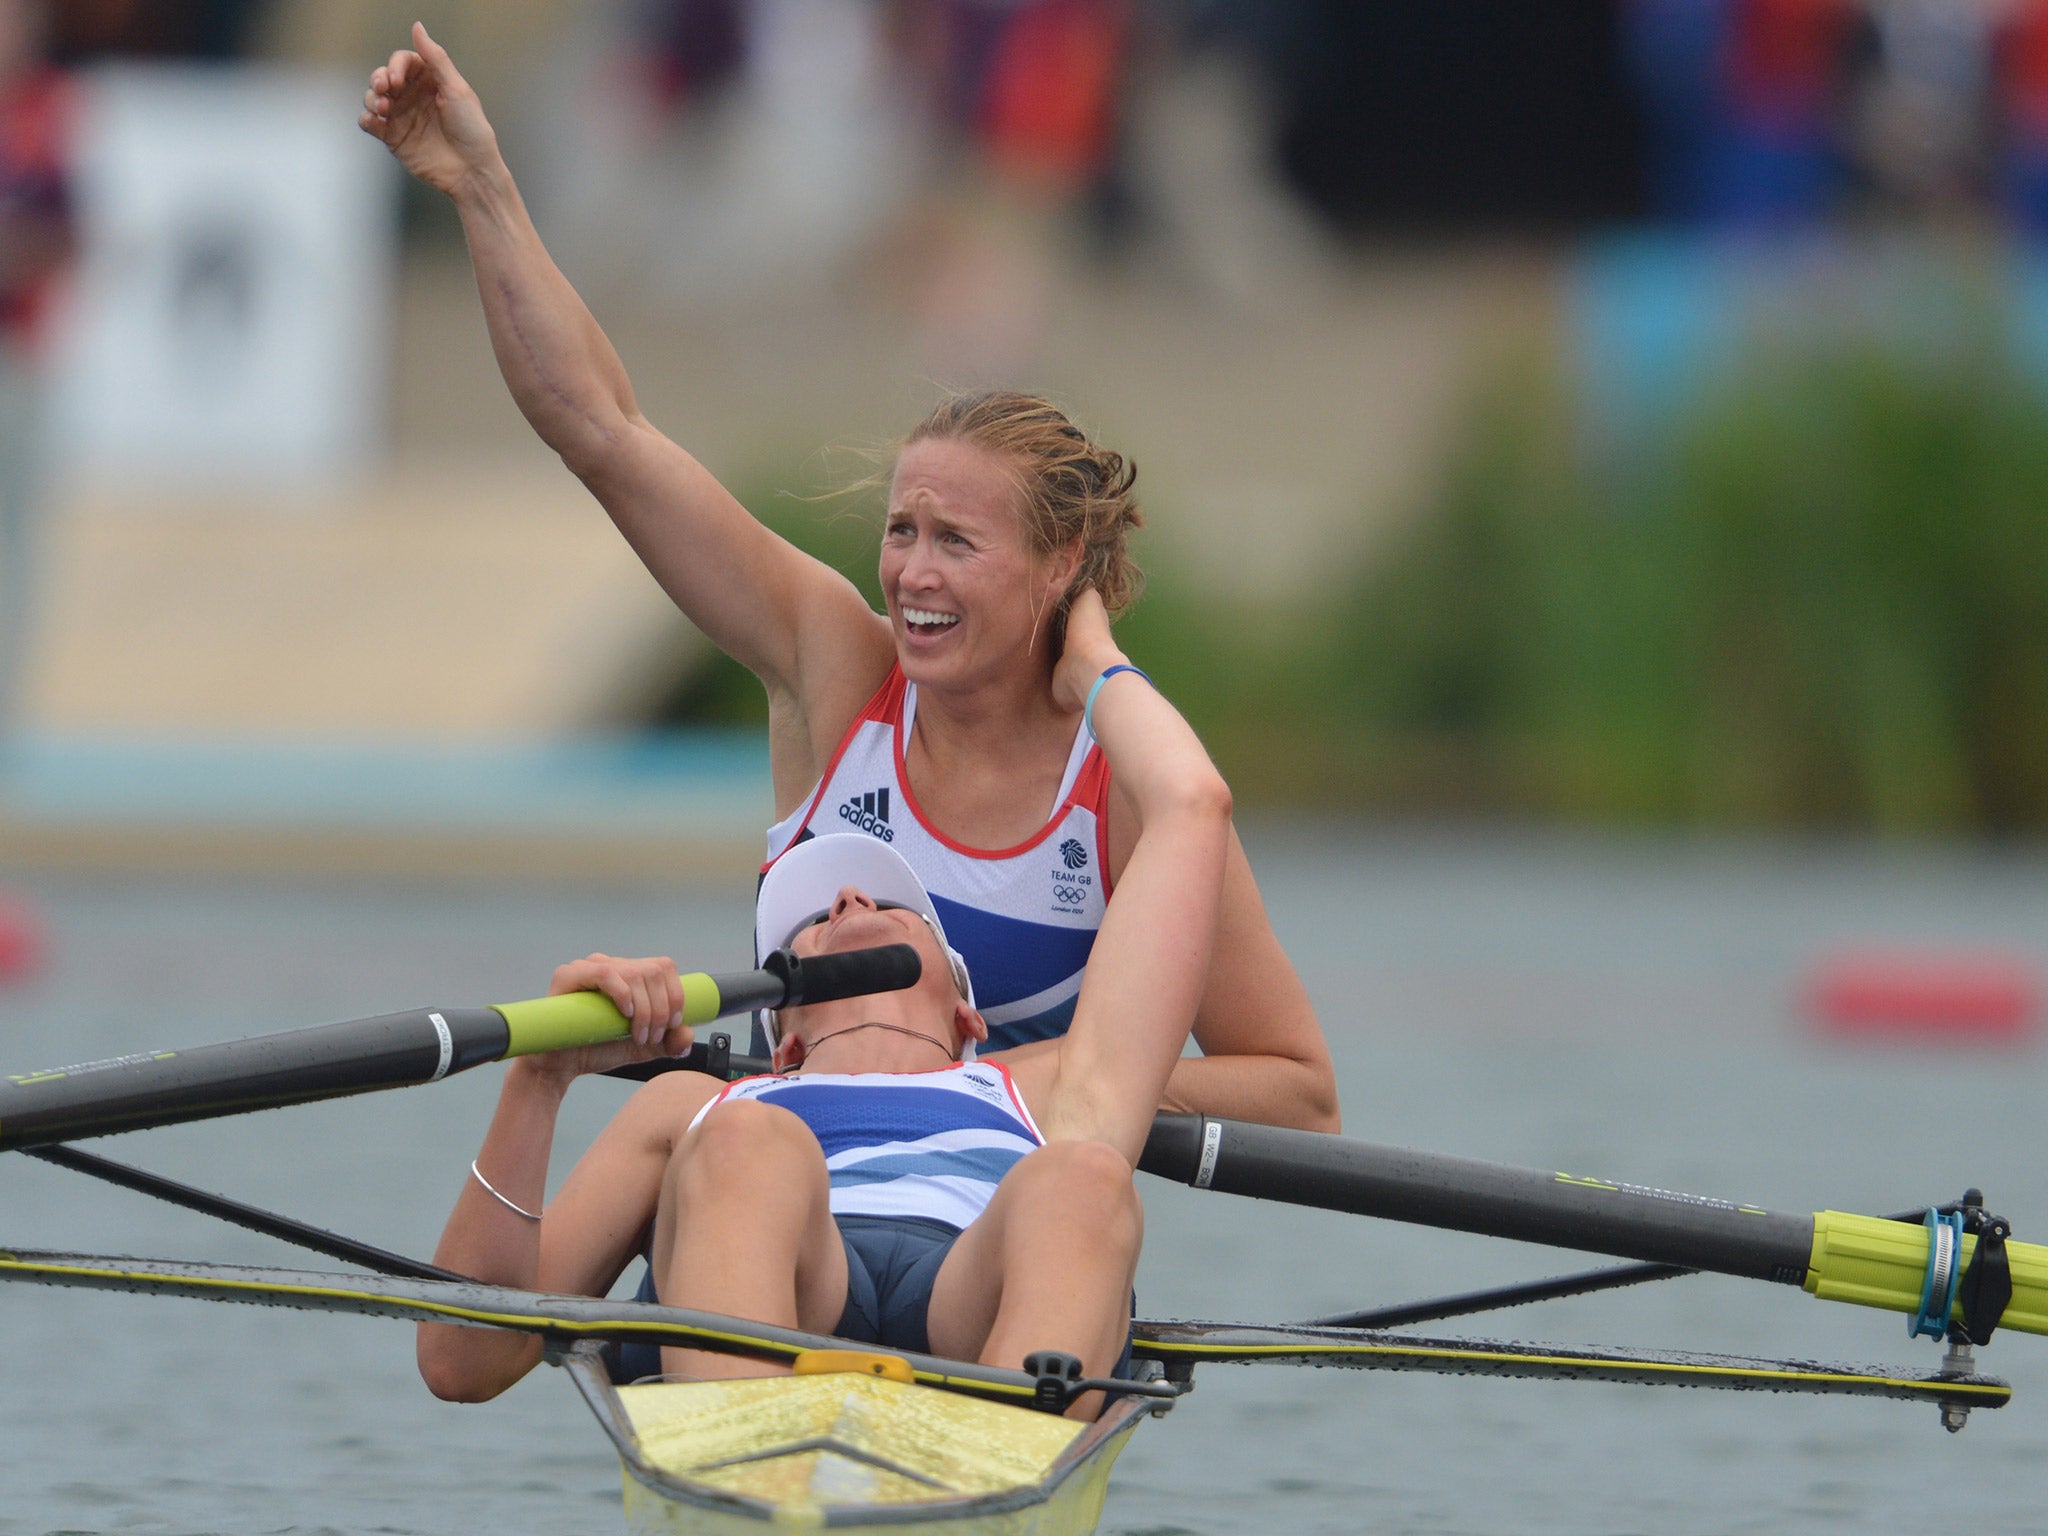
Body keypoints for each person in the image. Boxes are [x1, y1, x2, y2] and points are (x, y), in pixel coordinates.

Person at [360, 26, 1338, 1133]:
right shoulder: (835, 660)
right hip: (785, 1194)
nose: (911, 573)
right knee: (672, 1148)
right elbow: (601, 431)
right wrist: (482, 186)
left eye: (956, 543)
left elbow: (1295, 1092)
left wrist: (1003, 1081)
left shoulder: (1120, 785)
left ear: (1060, 565)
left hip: (994, 1246)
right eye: (901, 530)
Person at [418, 593, 1231, 1415]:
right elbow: (464, 1360)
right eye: (813, 919)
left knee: (1087, 1173)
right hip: (788, 1272)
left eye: (891, 903)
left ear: (967, 1017)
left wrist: (1091, 660)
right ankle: (748, 1462)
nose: (846, 898)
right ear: (785, 1043)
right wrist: (539, 1080)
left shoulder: (1048, 1084)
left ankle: (1009, 1461)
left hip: (971, 1293)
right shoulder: (704, 1105)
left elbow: (1191, 807)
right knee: (744, 1140)